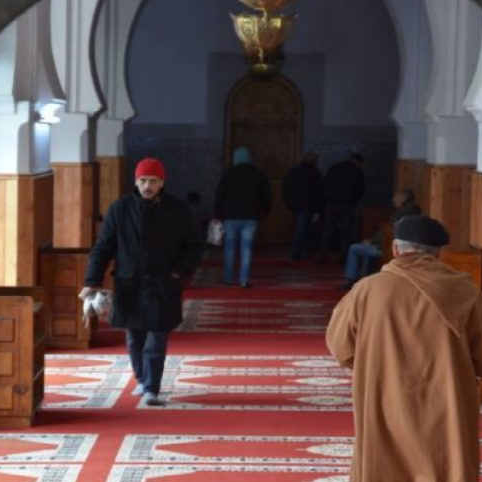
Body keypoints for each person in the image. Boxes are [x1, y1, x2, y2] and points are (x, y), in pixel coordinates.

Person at [325, 215, 482, 482]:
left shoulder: (367, 290)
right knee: (446, 467)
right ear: (437, 253)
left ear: (395, 249)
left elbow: (340, 346)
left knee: (385, 467)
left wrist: (373, 362)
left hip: (384, 397)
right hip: (446, 403)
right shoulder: (463, 292)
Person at [81, 158, 204, 406]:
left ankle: (151, 388)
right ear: (136, 181)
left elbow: (194, 245)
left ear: (162, 182)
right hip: (129, 283)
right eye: (143, 180)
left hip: (163, 283)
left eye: (153, 181)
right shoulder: (120, 209)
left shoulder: (178, 210)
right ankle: (142, 378)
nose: (147, 186)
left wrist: (179, 271)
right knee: (134, 338)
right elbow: (103, 247)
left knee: (156, 339)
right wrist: (92, 280)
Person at [213, 147, 271, 288]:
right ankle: (244, 280)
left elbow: (220, 195)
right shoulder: (258, 175)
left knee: (229, 248)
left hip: (230, 216)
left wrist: (217, 214)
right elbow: (266, 196)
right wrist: (265, 211)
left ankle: (228, 278)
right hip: (250, 216)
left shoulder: (229, 174)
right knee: (246, 248)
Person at [342, 188, 421, 287]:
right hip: (400, 246)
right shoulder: (414, 212)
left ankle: (351, 279)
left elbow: (386, 233)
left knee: (354, 248)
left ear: (404, 198)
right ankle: (363, 277)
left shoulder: (399, 215)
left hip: (387, 247)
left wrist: (371, 241)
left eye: (396, 196)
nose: (393, 199)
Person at [317, 153, 365, 263]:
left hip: (331, 203)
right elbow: (360, 191)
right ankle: (343, 256)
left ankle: (323, 254)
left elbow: (325, 185)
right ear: (358, 162)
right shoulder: (357, 172)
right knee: (345, 232)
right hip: (347, 205)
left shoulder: (334, 169)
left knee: (328, 230)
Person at [282, 152, 325, 260]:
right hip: (307, 205)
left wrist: (287, 201)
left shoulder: (293, 171)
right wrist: (319, 208)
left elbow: (285, 187)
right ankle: (296, 252)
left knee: (301, 227)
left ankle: (300, 251)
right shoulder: (315, 173)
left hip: (294, 204)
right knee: (303, 228)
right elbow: (319, 191)